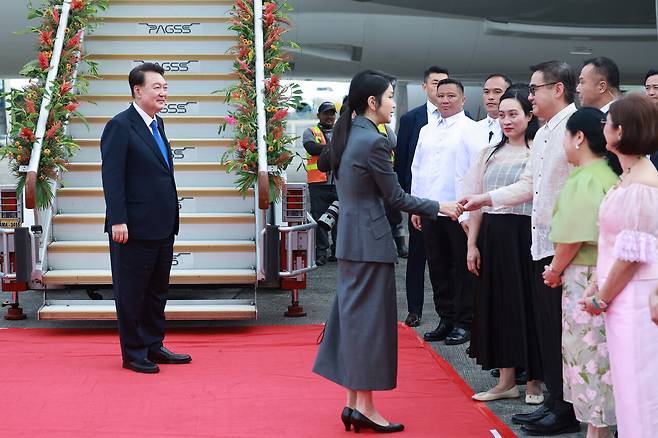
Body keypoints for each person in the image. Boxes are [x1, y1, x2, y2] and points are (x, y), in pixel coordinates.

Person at [312, 69, 463, 434]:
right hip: (370, 242)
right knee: (369, 328)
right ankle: (364, 407)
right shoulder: (373, 141)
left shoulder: (351, 136)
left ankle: (354, 403)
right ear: (372, 102)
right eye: (391, 96)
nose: (395, 104)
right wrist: (441, 206)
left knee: (355, 323)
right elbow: (396, 197)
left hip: (352, 240)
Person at [462, 61, 580, 435]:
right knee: (547, 326)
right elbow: (530, 185)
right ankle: (555, 403)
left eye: (533, 90)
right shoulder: (546, 134)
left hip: (563, 242)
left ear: (557, 89)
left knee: (558, 327)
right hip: (539, 242)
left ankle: (562, 405)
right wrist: (485, 198)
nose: (530, 97)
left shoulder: (574, 128)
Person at [100, 62, 191, 374]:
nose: (163, 92)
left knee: (156, 291)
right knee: (132, 292)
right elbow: (112, 177)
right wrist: (117, 219)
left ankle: (154, 344)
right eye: (157, 87)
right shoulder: (120, 126)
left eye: (165, 87)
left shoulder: (158, 124)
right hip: (133, 228)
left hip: (162, 225)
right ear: (137, 91)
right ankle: (134, 352)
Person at [579, 94, 658, 437]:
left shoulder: (643, 182)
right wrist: (599, 286)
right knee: (628, 390)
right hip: (622, 296)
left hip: (637, 300)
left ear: (620, 131)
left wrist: (602, 297)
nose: (602, 128)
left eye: (606, 123)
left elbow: (632, 256)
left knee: (640, 394)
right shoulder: (630, 175)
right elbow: (616, 245)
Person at [464, 87, 544, 404]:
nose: (506, 120)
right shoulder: (488, 153)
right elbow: (476, 202)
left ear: (529, 115)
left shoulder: (539, 150)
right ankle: (507, 380)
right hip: (493, 237)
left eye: (514, 114)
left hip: (527, 235)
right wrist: (472, 244)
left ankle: (535, 381)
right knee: (497, 305)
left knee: (530, 305)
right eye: (502, 114)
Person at [543, 108, 620, 438]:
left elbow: (573, 237)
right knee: (603, 354)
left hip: (585, 277)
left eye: (565, 135)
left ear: (578, 137)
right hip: (606, 275)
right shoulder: (607, 174)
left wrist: (554, 270)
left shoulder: (587, 179)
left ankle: (597, 429)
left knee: (588, 355)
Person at [412, 78, 486, 346]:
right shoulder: (426, 130)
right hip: (432, 209)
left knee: (462, 269)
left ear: (463, 100)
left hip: (459, 210)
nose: (445, 100)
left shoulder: (471, 129)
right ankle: (445, 317)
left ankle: (464, 322)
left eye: (451, 96)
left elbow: (476, 172)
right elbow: (417, 169)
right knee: (438, 267)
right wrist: (416, 205)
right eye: (441, 95)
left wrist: (468, 212)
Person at [395, 66, 449, 328]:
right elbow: (403, 163)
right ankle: (414, 309)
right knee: (417, 259)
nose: (440, 89)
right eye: (435, 83)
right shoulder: (411, 119)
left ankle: (447, 314)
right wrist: (406, 199)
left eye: (444, 83)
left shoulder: (463, 118)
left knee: (448, 260)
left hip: (449, 204)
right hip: (418, 202)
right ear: (425, 87)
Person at [303, 102, 338, 265]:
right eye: (326, 113)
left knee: (340, 218)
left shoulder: (341, 132)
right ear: (319, 115)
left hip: (339, 182)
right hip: (318, 183)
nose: (330, 117)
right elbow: (311, 148)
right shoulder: (310, 132)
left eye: (332, 113)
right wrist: (334, 147)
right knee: (319, 218)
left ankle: (338, 250)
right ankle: (321, 252)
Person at [477, 74, 512, 147]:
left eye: (497, 92)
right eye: (486, 92)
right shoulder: (473, 128)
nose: (490, 97)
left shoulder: (516, 128)